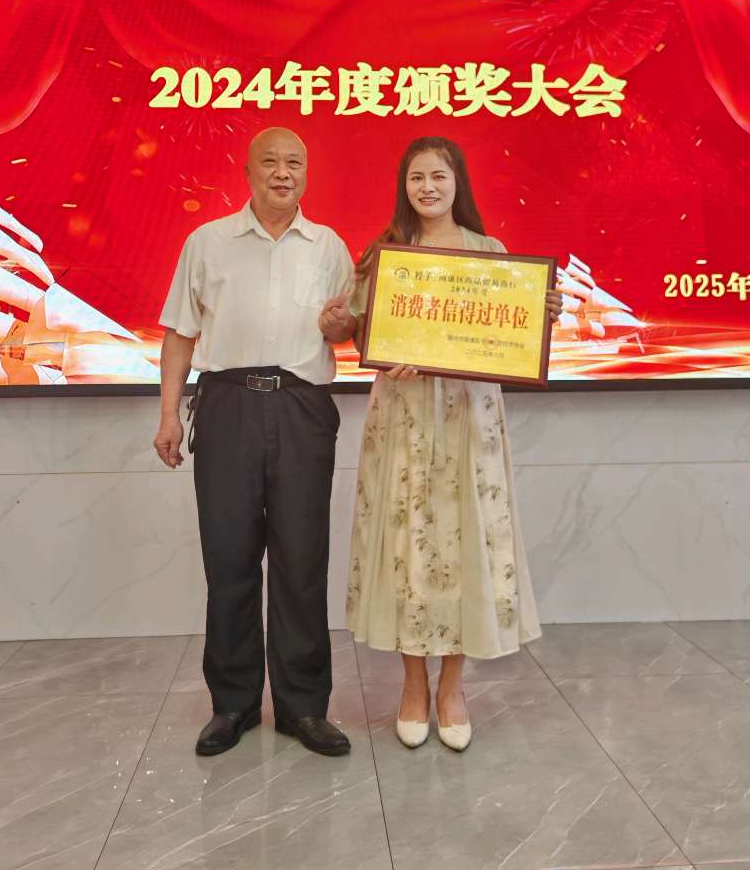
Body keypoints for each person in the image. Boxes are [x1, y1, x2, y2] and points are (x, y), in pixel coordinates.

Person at [340, 136, 562, 752]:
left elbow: (512, 331)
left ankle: (453, 688)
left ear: (457, 182)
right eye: (417, 178)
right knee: (406, 543)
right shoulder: (384, 254)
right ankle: (413, 684)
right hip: (405, 416)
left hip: (469, 418)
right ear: (404, 187)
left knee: (466, 543)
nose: (428, 188)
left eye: (438, 176)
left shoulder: (491, 255)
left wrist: (540, 310)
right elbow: (359, 329)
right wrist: (371, 342)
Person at [153, 127, 357, 758]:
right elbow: (179, 333)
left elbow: (347, 331)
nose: (282, 172)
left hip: (301, 407)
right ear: (247, 172)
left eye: (294, 162)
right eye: (270, 161)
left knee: (302, 559)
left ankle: (304, 707)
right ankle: (233, 704)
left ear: (307, 174)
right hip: (227, 405)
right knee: (229, 557)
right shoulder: (207, 242)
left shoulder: (329, 247)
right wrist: (167, 415)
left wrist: (342, 326)